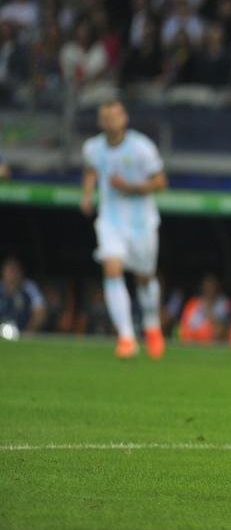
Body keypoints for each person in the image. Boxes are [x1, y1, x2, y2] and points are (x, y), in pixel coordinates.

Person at [80, 99, 168, 359]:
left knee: (144, 278)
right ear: (100, 121)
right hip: (111, 220)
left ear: (124, 118)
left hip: (142, 223)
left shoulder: (141, 147)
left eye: (114, 116)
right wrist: (87, 195)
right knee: (112, 269)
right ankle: (127, 337)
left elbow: (161, 182)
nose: (110, 121)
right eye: (105, 117)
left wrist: (130, 188)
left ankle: (152, 325)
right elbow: (90, 170)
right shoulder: (92, 148)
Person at [179, 274, 231, 343]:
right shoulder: (193, 303)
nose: (209, 289)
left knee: (218, 330)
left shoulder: (223, 302)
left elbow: (221, 327)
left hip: (212, 339)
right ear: (203, 287)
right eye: (207, 286)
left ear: (217, 287)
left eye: (212, 286)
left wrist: (209, 309)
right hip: (193, 337)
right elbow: (185, 324)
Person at [0, 257, 46, 333]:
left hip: (24, 332)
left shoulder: (29, 287)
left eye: (15, 271)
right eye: (9, 271)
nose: (12, 275)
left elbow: (40, 312)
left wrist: (29, 331)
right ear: (3, 272)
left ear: (20, 272)